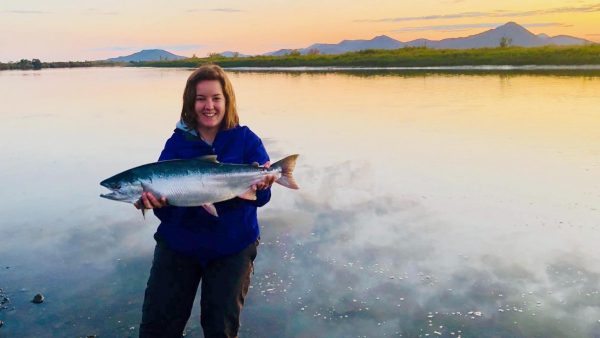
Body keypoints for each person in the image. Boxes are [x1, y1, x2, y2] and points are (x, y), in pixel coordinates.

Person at [136, 64, 276, 338]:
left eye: (215, 98)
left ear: (227, 100)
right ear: (191, 102)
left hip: (232, 247)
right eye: (201, 99)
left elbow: (261, 199)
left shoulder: (246, 140)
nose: (208, 106)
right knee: (157, 327)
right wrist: (154, 204)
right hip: (179, 246)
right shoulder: (176, 144)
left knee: (220, 329)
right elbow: (167, 213)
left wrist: (263, 184)